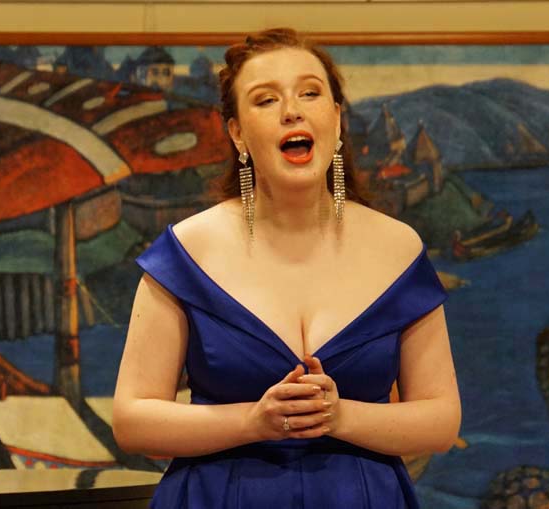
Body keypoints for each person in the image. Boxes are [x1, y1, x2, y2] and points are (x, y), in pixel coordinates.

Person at [113, 28, 460, 508]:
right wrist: (251, 422)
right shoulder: (186, 253)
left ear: (336, 119)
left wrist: (341, 416)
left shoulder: (399, 248)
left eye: (309, 93)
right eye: (266, 99)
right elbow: (132, 421)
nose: (291, 110)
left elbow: (441, 420)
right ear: (237, 133)